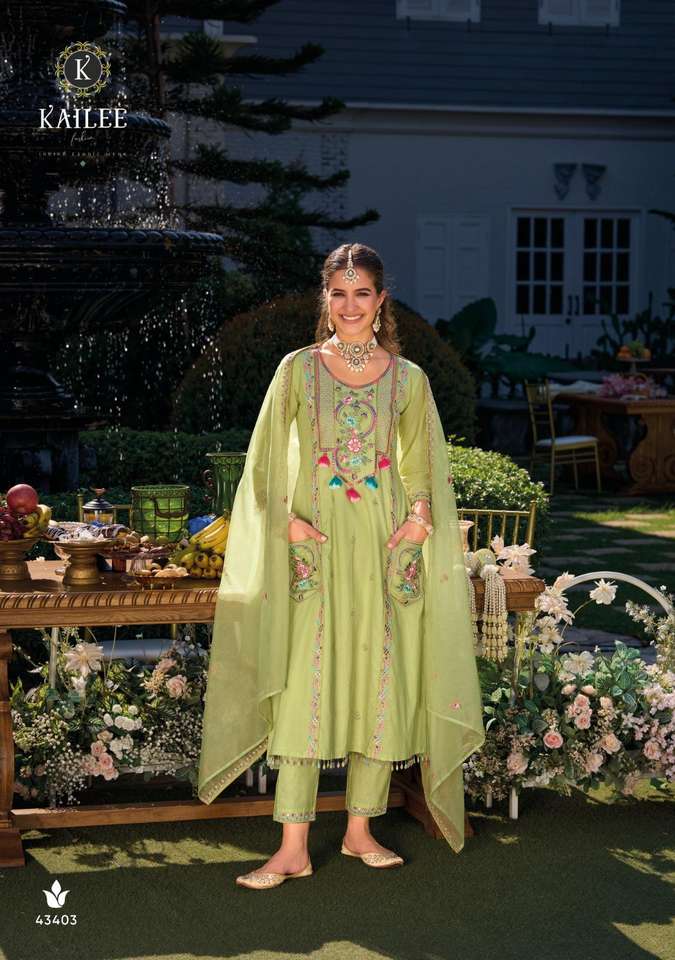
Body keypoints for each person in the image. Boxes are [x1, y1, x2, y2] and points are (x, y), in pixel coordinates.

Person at [198, 242, 484, 889]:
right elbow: (264, 461)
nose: (350, 305)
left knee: (380, 681)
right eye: (338, 293)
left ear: (380, 301)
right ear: (324, 300)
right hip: (316, 547)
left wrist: (417, 520)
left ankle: (359, 832)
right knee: (306, 683)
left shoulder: (407, 379)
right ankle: (291, 846)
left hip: (385, 548)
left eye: (361, 293)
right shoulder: (298, 370)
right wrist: (287, 523)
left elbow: (422, 464)